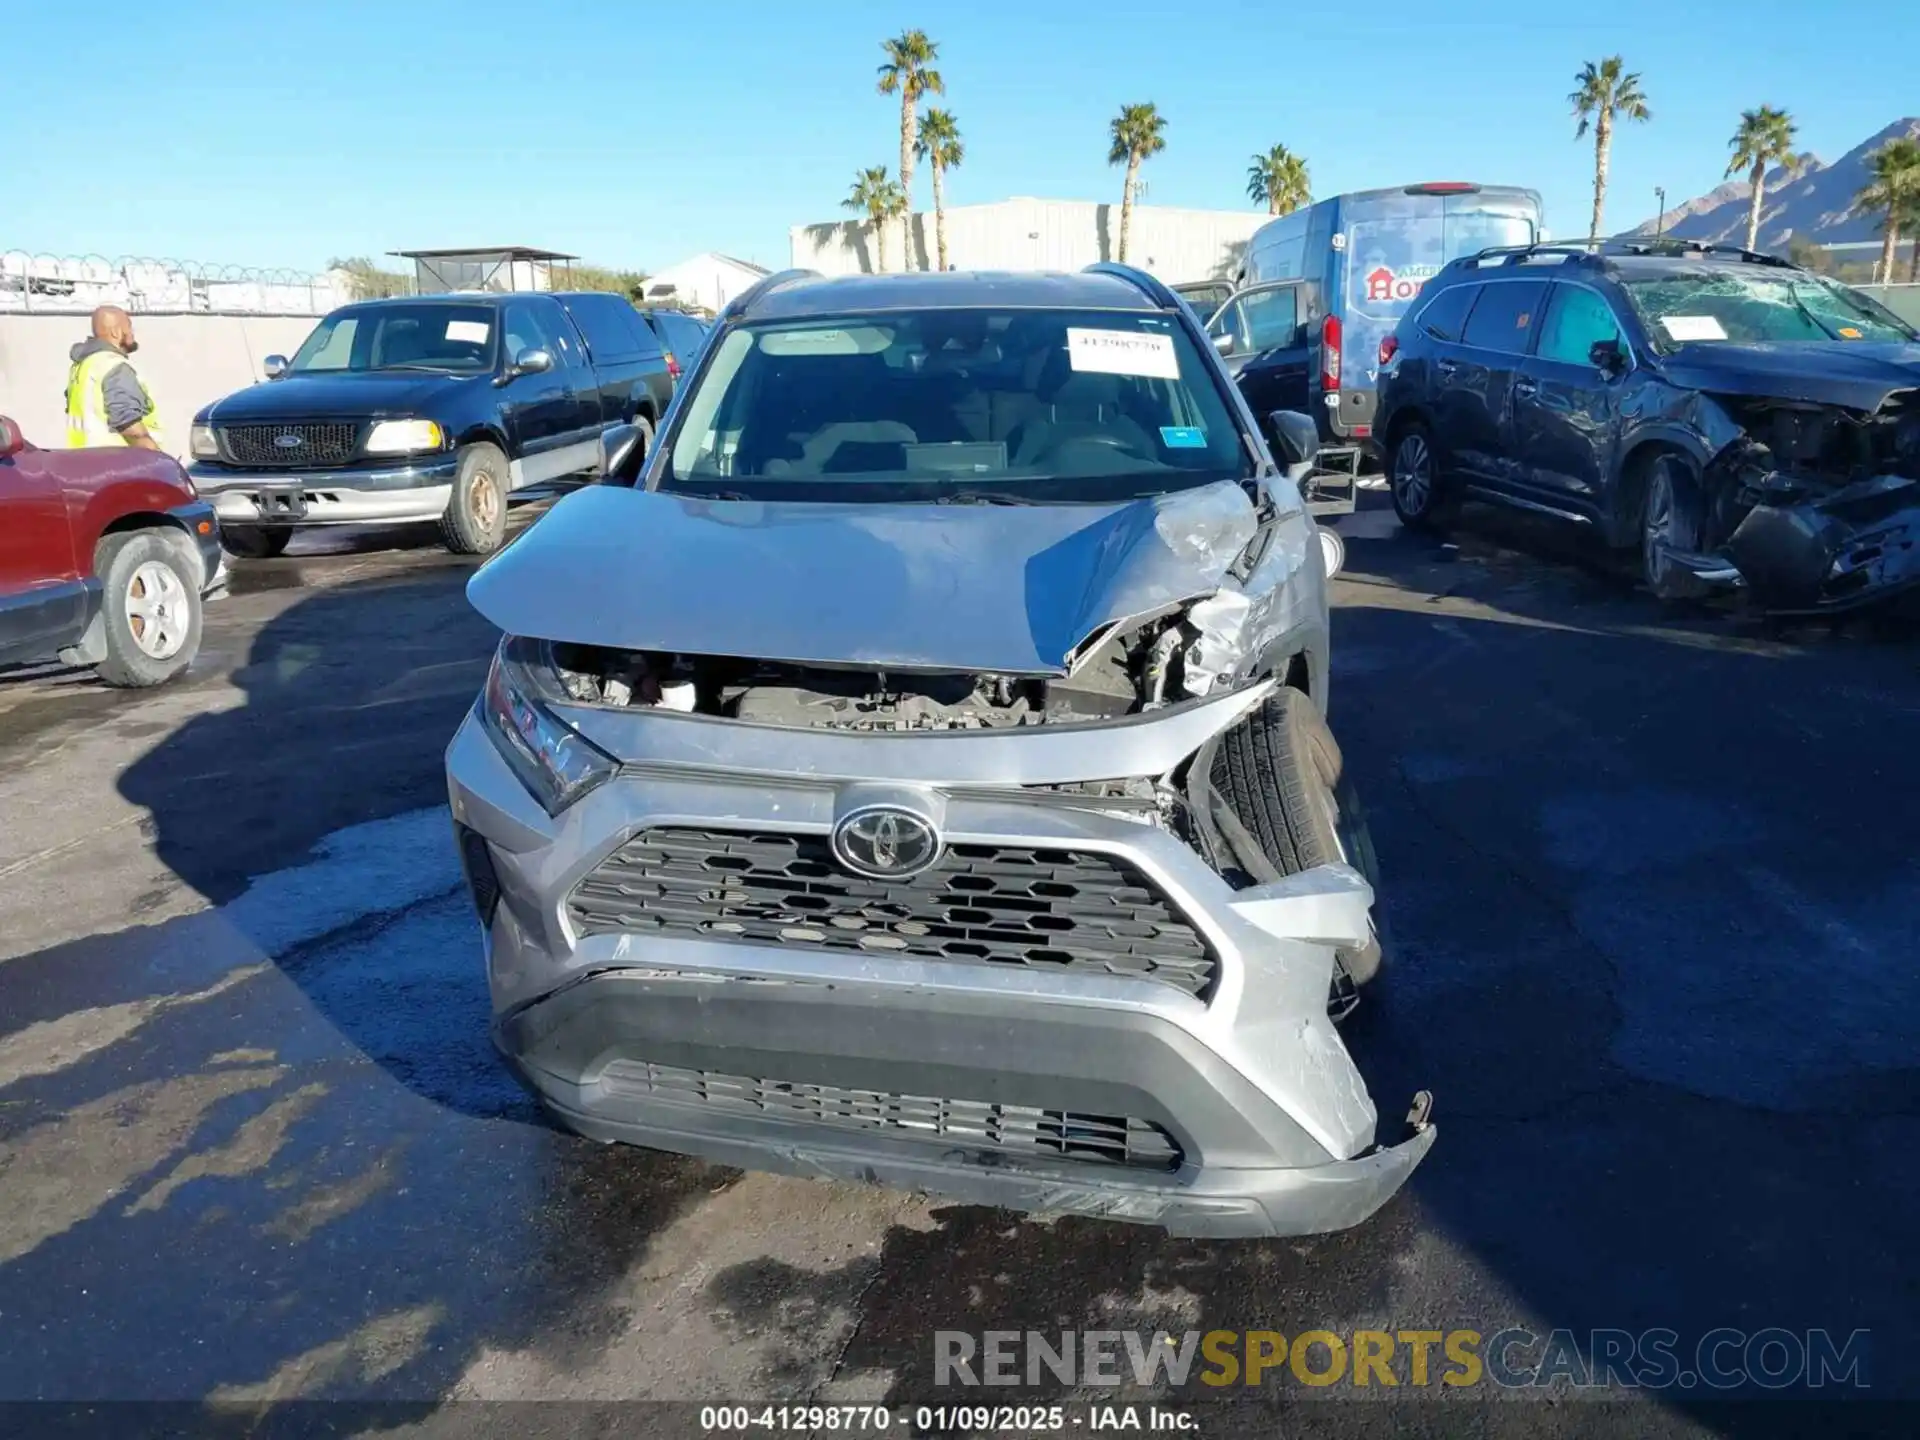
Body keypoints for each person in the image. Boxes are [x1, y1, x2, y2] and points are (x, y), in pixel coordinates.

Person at [65, 306, 163, 450]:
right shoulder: (114, 366)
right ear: (116, 332)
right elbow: (130, 427)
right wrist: (159, 460)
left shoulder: (83, 365)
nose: (132, 333)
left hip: (83, 462)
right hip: (119, 464)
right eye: (129, 327)